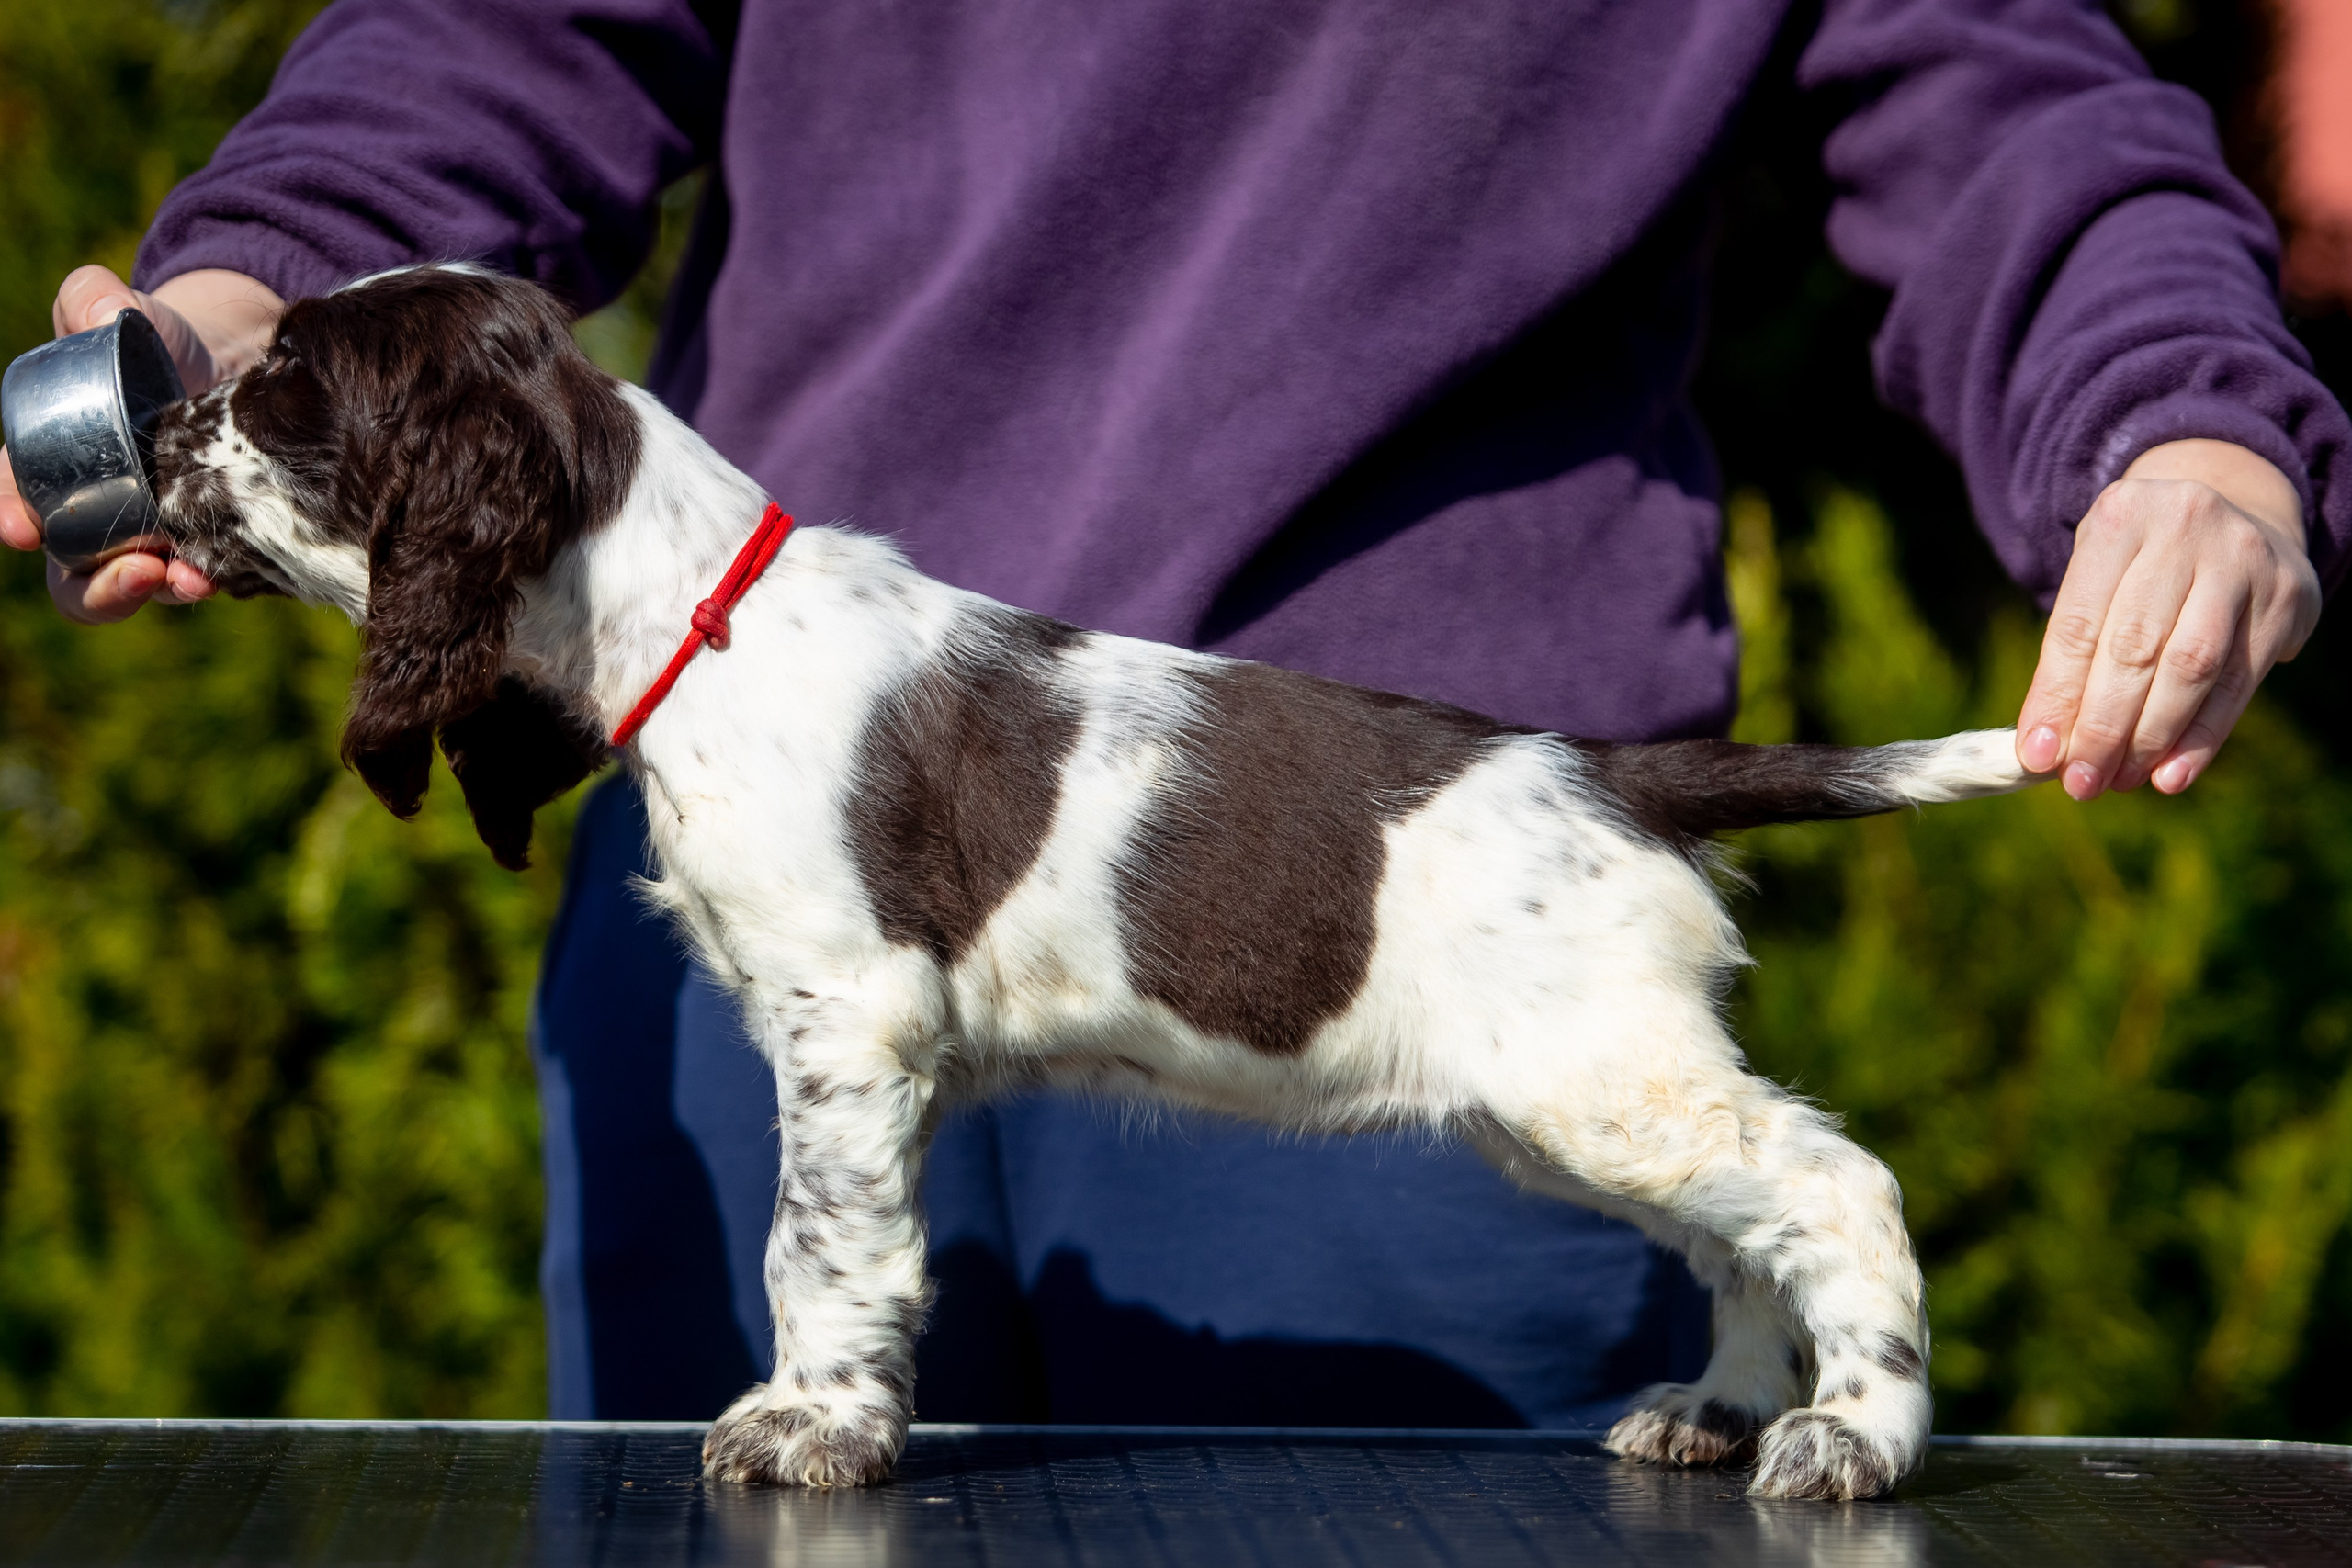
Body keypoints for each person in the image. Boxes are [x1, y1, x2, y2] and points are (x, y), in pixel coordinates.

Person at [2, 0, 2338, 1425]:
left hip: (1389, 902)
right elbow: (499, 34)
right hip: (752, 825)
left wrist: (2190, 426)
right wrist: (255, 297)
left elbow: (2016, 109)